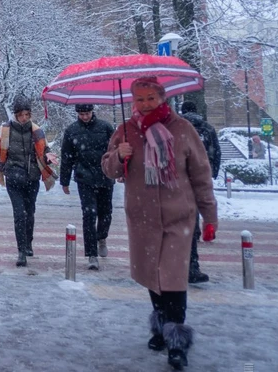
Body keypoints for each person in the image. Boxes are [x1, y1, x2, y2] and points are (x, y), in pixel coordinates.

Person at [101, 77, 217, 370]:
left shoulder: (182, 129)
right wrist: (119, 155)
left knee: (173, 278)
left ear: (162, 97)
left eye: (151, 97)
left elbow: (201, 175)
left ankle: (177, 341)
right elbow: (109, 168)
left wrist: (210, 216)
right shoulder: (125, 131)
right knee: (153, 275)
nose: (145, 104)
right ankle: (161, 326)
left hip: (179, 215)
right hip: (142, 217)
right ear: (132, 101)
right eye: (139, 99)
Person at [0, 96, 56, 268]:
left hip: (32, 179)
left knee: (30, 213)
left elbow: (45, 151)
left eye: (27, 115)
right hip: (14, 179)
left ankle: (28, 242)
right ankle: (21, 251)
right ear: (15, 115)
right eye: (21, 115)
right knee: (19, 215)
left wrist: (49, 157)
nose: (24, 118)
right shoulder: (6, 131)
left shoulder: (37, 132)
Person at [59, 104, 115, 271]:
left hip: (105, 176)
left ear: (93, 112)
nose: (85, 117)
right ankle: (91, 254)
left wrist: (119, 170)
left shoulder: (105, 127)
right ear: (78, 114)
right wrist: (65, 181)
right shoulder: (72, 131)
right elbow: (66, 157)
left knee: (106, 212)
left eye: (87, 113)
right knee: (89, 214)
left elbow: (114, 151)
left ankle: (102, 237)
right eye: (82, 114)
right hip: (84, 178)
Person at [180, 101, 221, 284]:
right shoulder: (207, 128)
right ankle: (192, 267)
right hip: (201, 176)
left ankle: (184, 265)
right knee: (194, 213)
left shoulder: (178, 128)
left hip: (181, 179)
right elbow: (216, 151)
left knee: (187, 218)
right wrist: (213, 171)